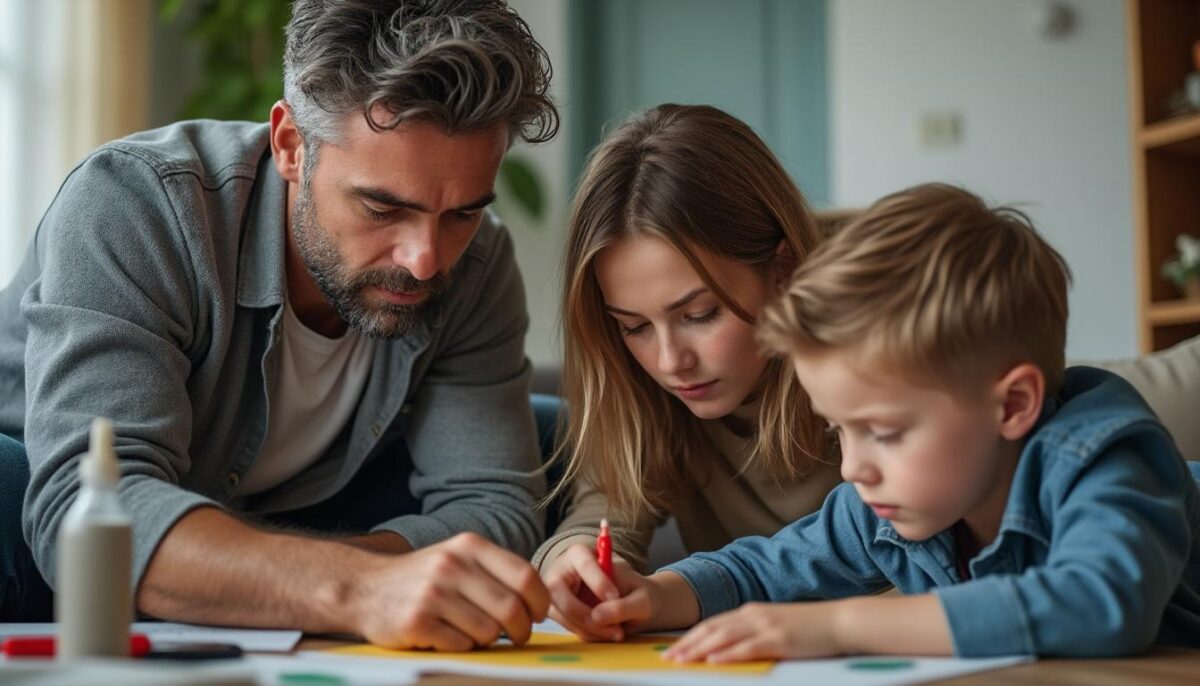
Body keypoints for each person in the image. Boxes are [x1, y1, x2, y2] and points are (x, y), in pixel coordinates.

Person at [0, 0, 558, 651]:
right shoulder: (138, 202)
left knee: (554, 429)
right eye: (382, 207)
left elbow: (496, 509)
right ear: (291, 145)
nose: (426, 259)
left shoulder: (477, 263)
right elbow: (93, 511)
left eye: (461, 214)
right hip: (39, 516)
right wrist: (358, 587)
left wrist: (268, 567)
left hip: (296, 509)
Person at [570, 183, 1200, 659]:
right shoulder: (884, 505)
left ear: (1012, 406)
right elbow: (760, 567)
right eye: (841, 431)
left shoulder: (1108, 462)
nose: (852, 468)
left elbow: (1100, 603)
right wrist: (656, 594)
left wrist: (838, 626)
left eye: (887, 432)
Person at [534, 104, 842, 641]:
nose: (671, 362)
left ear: (783, 268)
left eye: (699, 315)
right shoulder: (641, 386)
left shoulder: (886, 329)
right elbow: (608, 508)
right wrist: (573, 561)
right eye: (633, 326)